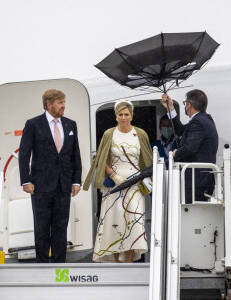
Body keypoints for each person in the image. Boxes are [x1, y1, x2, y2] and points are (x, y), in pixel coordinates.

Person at [83, 99, 153, 263]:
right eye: (120, 114)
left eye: (126, 114)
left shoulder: (140, 133)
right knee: (113, 224)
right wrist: (113, 175)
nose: (123, 117)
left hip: (135, 184)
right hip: (114, 184)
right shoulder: (109, 134)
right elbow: (101, 158)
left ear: (132, 115)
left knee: (133, 223)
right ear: (115, 116)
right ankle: (115, 264)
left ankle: (128, 263)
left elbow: (147, 161)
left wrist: (148, 180)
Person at [18, 89, 82, 263]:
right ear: (49, 104)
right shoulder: (33, 124)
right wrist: (26, 180)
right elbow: (24, 155)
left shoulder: (70, 124)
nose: (63, 105)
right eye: (60, 102)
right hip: (40, 185)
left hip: (64, 185)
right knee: (42, 228)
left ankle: (59, 267)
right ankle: (42, 268)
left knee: (61, 227)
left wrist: (76, 180)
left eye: (64, 102)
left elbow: (75, 154)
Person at [161, 89, 218, 203]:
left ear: (189, 105)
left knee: (190, 216)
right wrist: (170, 108)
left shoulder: (198, 122)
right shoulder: (205, 119)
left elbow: (190, 148)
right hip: (201, 180)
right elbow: (181, 130)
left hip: (196, 181)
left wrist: (176, 153)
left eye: (185, 103)